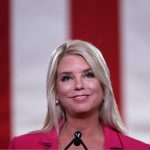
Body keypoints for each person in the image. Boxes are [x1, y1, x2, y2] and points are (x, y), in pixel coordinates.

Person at [9, 40, 150, 149]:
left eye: (89, 75)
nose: (78, 85)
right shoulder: (22, 146)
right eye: (67, 78)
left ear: (103, 86)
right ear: (56, 93)